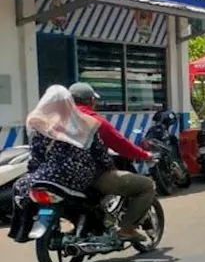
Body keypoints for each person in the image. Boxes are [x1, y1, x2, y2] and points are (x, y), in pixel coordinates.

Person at [11, 83, 155, 243]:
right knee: (146, 185)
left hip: (46, 177)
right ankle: (127, 229)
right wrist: (118, 164)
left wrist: (34, 174)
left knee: (21, 185)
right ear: (91, 101)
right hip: (84, 177)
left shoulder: (43, 124)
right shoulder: (89, 122)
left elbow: (36, 155)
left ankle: (22, 230)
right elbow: (113, 148)